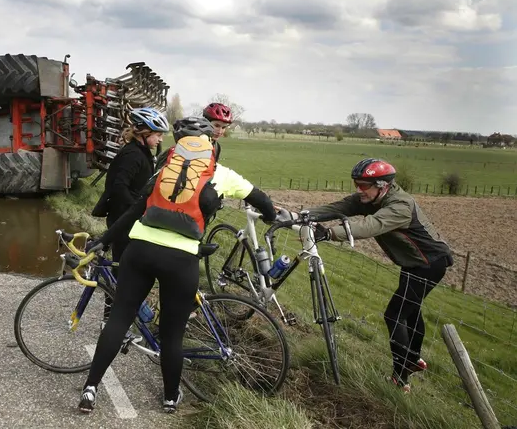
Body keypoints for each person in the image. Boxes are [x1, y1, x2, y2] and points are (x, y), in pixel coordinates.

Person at [77, 116, 277, 414]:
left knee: (119, 318)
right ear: (211, 144)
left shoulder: (164, 169)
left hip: (140, 249)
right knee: (172, 333)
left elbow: (135, 210)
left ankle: (90, 390)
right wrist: (272, 218)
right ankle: (171, 398)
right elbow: (263, 201)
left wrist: (104, 239)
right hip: (181, 259)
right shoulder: (222, 174)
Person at [278, 158, 453, 393]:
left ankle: (401, 378)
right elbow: (337, 208)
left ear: (383, 185)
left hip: (430, 263)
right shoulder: (371, 197)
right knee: (411, 311)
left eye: (363, 185)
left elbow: (371, 225)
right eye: (356, 184)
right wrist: (299, 216)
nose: (358, 190)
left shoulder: (400, 206)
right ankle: (413, 359)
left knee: (394, 315)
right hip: (413, 263)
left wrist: (329, 233)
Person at [91, 107, 169, 321]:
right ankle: (111, 316)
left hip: (130, 220)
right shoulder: (132, 155)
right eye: (158, 134)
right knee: (121, 269)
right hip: (123, 221)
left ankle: (122, 311)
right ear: (144, 133)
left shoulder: (141, 152)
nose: (160, 138)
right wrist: (136, 209)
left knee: (127, 268)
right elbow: (119, 186)